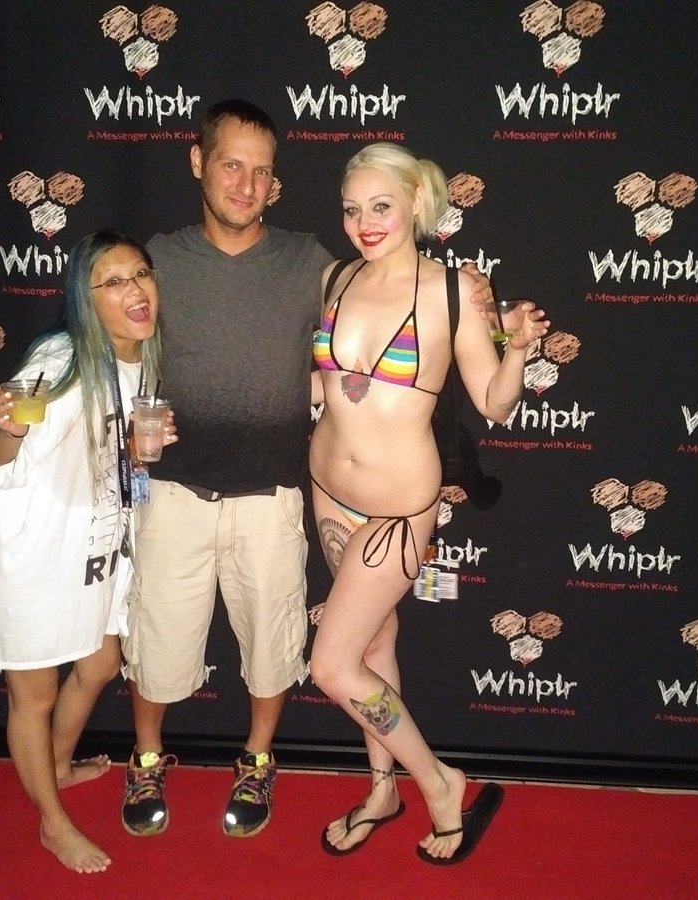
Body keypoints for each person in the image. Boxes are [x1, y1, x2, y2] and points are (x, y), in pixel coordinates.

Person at [121, 99, 495, 841]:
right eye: (231, 165)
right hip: (202, 489)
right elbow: (110, 333)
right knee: (173, 642)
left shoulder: (314, 265)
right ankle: (371, 789)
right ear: (198, 163)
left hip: (286, 494)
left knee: (299, 656)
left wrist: (483, 309)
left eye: (262, 171)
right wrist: (120, 418)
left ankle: (383, 775)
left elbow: (400, 298)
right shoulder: (158, 260)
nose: (246, 184)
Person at [309, 143, 550, 864]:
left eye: (381, 206)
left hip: (396, 509)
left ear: (417, 203)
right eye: (352, 209)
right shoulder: (336, 277)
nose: (364, 222)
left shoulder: (454, 292)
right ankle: (382, 790)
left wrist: (519, 348)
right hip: (328, 492)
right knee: (373, 645)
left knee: (332, 667)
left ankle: (440, 782)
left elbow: (494, 404)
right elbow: (323, 387)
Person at [0, 228, 173, 873]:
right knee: (34, 696)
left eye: (141, 274)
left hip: (91, 547)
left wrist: (138, 452)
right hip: (31, 551)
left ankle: (52, 768)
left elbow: (108, 456)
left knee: (100, 662)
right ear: (86, 298)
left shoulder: (140, 359)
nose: (135, 290)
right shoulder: (60, 359)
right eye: (113, 282)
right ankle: (53, 824)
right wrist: (6, 431)